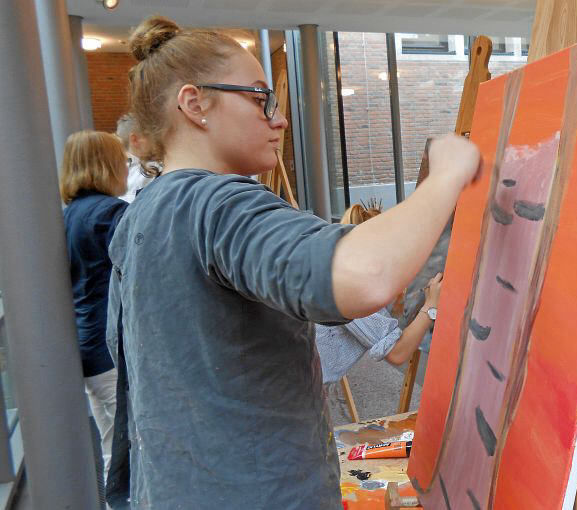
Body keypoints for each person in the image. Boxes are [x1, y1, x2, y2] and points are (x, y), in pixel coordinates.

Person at [106, 15, 481, 510]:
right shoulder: (219, 204)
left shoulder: (142, 215)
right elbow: (364, 277)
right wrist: (447, 176)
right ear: (195, 104)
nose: (279, 119)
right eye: (261, 98)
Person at [60, 130, 129, 483]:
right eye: (122, 160)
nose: (127, 167)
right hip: (112, 349)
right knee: (134, 449)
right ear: (107, 164)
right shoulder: (110, 214)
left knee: (111, 447)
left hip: (88, 346)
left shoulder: (69, 215)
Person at [316, 201, 443, 384]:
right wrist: (431, 306)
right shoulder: (353, 286)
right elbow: (397, 353)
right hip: (292, 387)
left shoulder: (342, 270)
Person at [115, 113, 154, 203]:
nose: (157, 141)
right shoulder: (151, 170)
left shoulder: (113, 170)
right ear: (135, 139)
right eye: (150, 136)